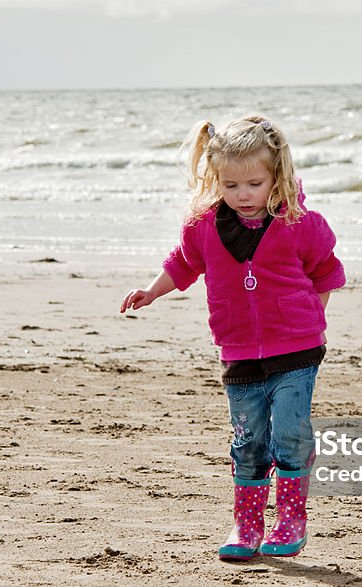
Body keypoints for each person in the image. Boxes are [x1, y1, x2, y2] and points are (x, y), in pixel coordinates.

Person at [119, 115, 346, 561]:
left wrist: (310, 319)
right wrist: (151, 290)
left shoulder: (302, 224)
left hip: (297, 352)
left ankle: (291, 519)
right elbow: (182, 265)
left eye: (255, 184)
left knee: (289, 433)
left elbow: (327, 273)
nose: (243, 194)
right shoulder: (203, 227)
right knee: (248, 441)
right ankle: (246, 525)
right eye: (231, 185)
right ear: (216, 180)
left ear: (276, 176)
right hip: (238, 353)